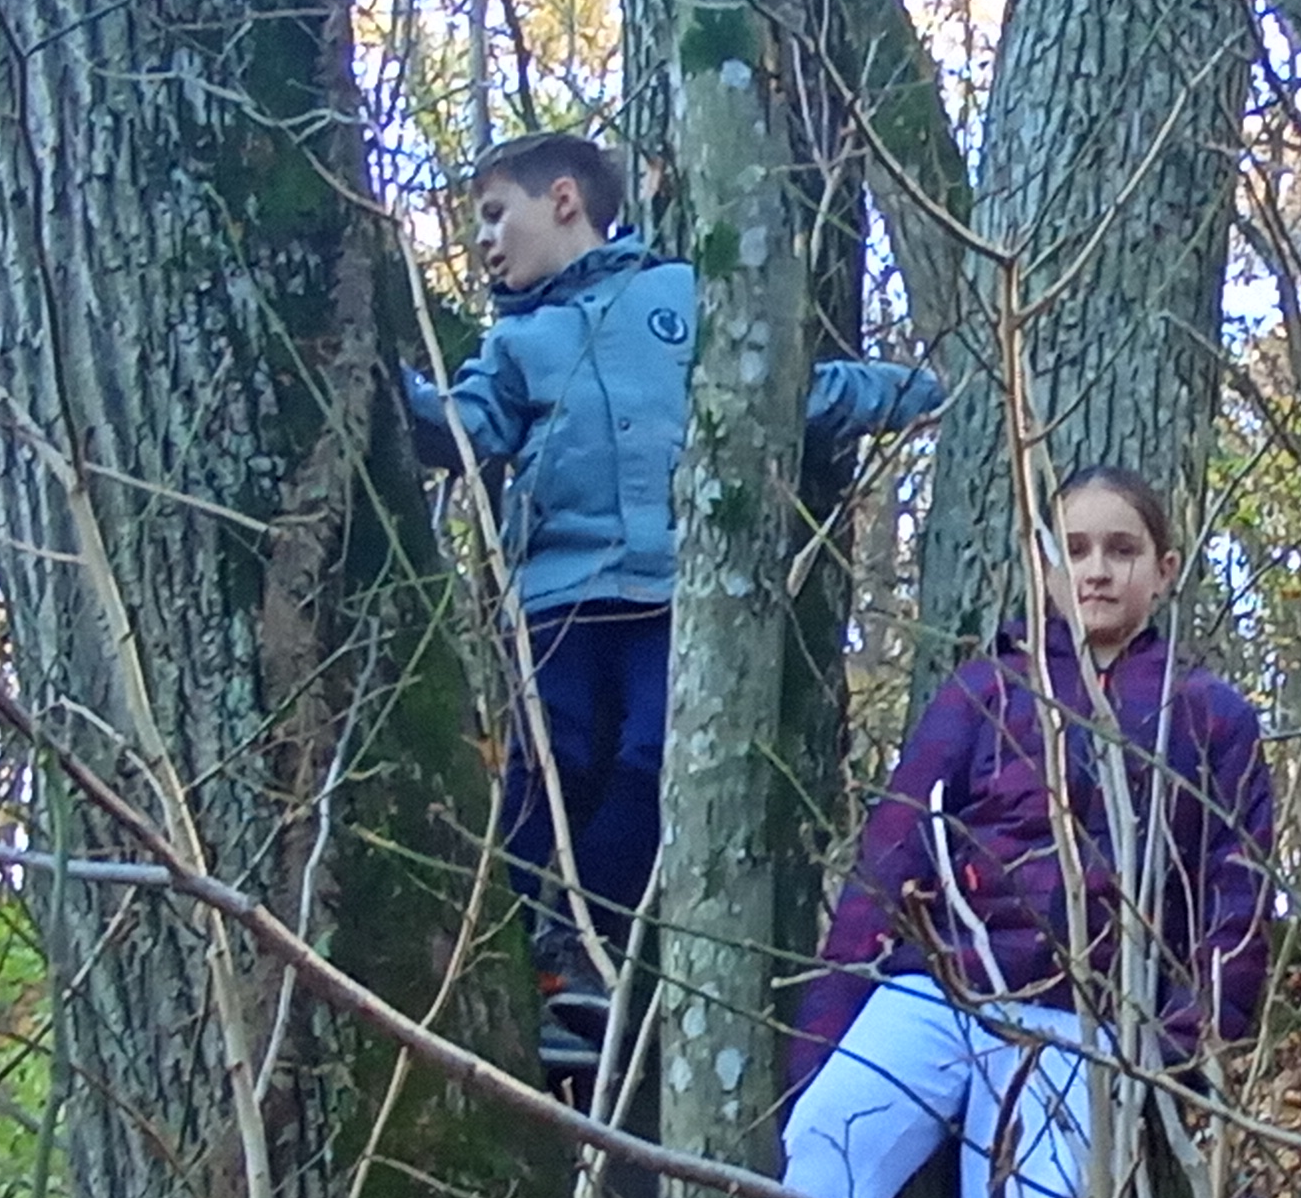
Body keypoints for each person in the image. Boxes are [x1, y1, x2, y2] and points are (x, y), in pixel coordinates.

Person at [593, 469, 1276, 1198]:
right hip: (940, 985)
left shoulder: (1209, 718)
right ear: (1043, 565)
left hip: (1085, 1015)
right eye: (1075, 549)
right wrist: (827, 1027)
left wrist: (1182, 1047)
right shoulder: (983, 693)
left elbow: (1235, 894)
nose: (1098, 570)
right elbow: (894, 848)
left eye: (1122, 550)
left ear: (1163, 569)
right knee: (828, 1148)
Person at [403, 131, 940, 1070]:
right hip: (559, 599)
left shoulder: (681, 297)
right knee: (554, 762)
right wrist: (389, 387)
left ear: (563, 199)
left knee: (653, 761)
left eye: (494, 215)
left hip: (671, 594)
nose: (482, 242)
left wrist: (916, 392)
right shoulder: (515, 343)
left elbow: (787, 390)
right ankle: (522, 952)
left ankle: (588, 948)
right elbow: (467, 429)